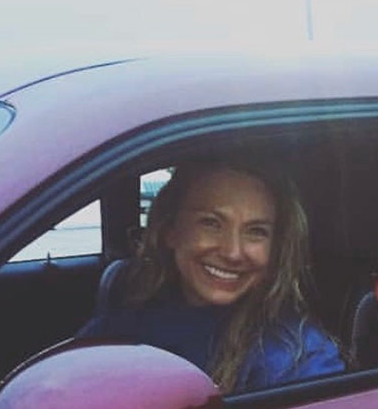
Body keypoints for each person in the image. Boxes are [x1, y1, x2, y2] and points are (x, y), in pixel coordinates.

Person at [78, 158, 345, 391]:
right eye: (211, 223)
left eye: (256, 231)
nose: (233, 252)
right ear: (171, 230)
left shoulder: (298, 357)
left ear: (276, 248)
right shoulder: (129, 316)